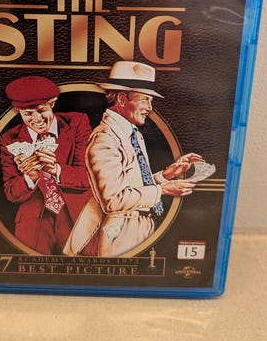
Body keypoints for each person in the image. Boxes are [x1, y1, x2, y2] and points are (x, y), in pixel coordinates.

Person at [64, 61, 203, 257]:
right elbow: (114, 200)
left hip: (137, 225)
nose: (149, 108)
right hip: (120, 232)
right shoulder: (105, 139)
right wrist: (163, 189)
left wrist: (166, 175)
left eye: (150, 101)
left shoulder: (130, 133)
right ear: (122, 99)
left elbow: (131, 185)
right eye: (145, 99)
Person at [0, 76, 92, 254]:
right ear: (17, 111)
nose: (36, 119)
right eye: (27, 114)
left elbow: (88, 177)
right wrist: (30, 177)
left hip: (76, 216)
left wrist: (56, 169)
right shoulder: (9, 139)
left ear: (52, 103)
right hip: (34, 222)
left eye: (41, 110)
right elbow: (10, 192)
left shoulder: (77, 123)